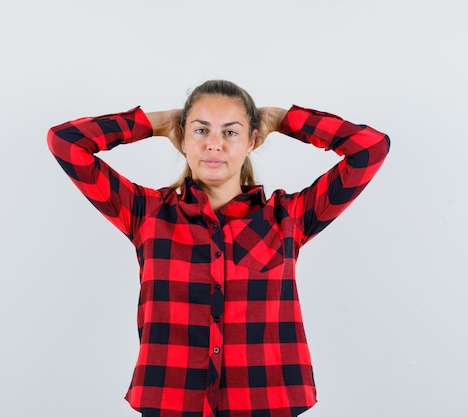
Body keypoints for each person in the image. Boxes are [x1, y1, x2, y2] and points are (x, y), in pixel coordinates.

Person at [48, 80, 390, 417]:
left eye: (230, 132)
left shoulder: (288, 218)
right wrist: (157, 123)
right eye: (200, 131)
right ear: (182, 138)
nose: (214, 145)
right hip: (171, 403)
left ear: (251, 140)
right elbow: (66, 143)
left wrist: (284, 119)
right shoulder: (146, 213)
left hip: (267, 404)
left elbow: (370, 149)